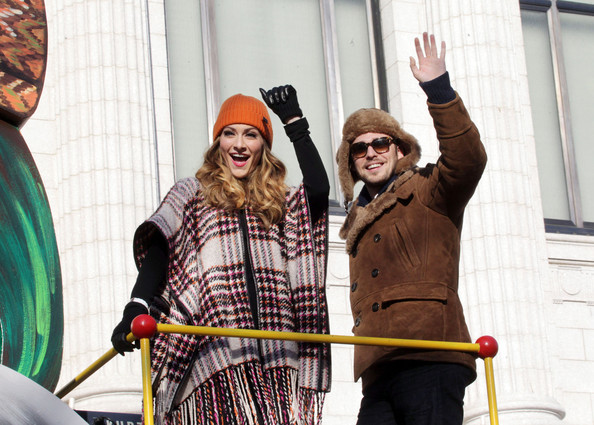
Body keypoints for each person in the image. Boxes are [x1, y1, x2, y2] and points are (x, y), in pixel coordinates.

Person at [111, 86, 331, 425]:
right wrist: (136, 305)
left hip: (275, 350)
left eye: (251, 135)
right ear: (218, 143)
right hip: (212, 349)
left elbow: (318, 190)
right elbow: (160, 245)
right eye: (229, 134)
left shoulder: (280, 201)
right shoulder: (193, 193)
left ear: (263, 147)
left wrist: (293, 121)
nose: (239, 144)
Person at [335, 33, 487, 425]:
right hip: (380, 368)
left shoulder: (427, 189)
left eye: (381, 143)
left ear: (400, 149)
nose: (370, 152)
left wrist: (438, 89)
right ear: (351, 163)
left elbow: (468, 160)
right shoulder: (358, 219)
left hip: (430, 356)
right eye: (359, 148)